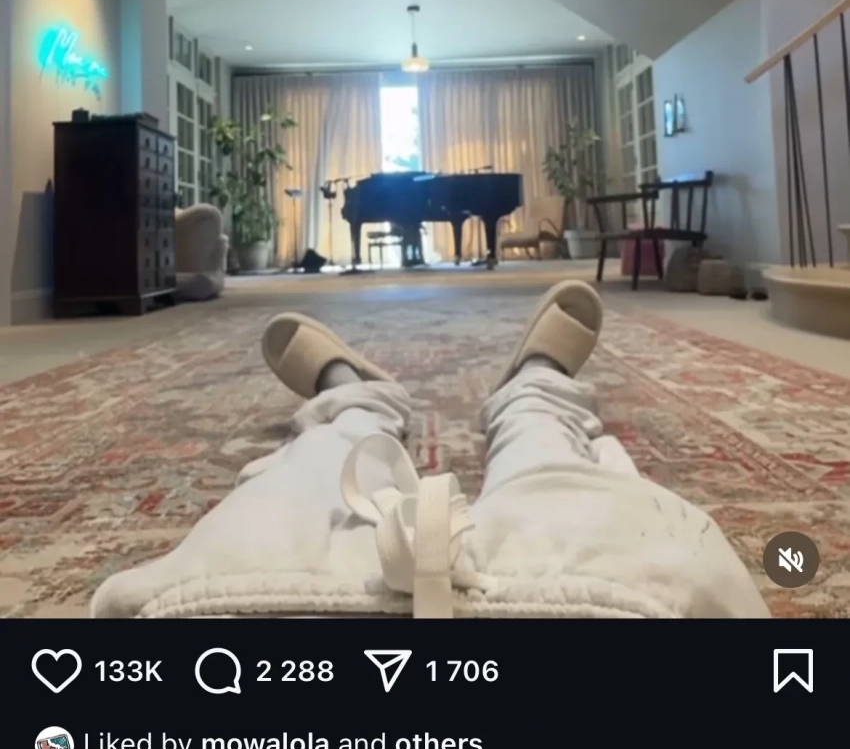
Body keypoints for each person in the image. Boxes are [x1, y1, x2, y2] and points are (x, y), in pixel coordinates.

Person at [92, 280, 769, 619]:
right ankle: (533, 389)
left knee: (319, 466)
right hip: (606, 604)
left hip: (244, 605)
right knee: (550, 462)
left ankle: (357, 399)